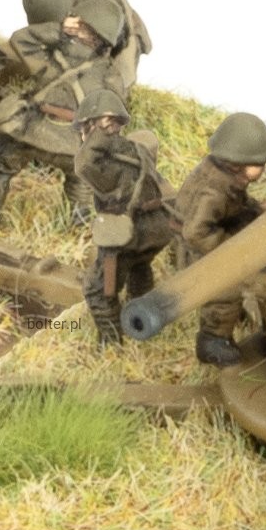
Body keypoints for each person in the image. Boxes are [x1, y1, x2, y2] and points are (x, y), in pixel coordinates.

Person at [0, 0, 127, 221]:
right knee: (81, 184)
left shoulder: (50, 56)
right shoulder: (109, 73)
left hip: (31, 132)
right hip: (74, 143)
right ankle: (77, 224)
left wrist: (59, 30)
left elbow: (20, 40)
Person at [73, 89, 177, 345]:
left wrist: (99, 133)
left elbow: (83, 165)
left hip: (128, 235)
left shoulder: (106, 162)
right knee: (139, 269)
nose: (83, 135)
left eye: (85, 128)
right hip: (156, 230)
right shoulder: (136, 149)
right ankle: (143, 323)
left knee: (98, 291)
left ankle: (111, 344)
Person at [174, 113, 266, 366]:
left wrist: (255, 210)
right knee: (227, 289)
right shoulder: (213, 191)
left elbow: (235, 203)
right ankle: (212, 339)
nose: (264, 168)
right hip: (196, 249)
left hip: (211, 230)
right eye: (260, 163)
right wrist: (230, 250)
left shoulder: (227, 178)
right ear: (238, 164)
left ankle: (233, 316)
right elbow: (195, 233)